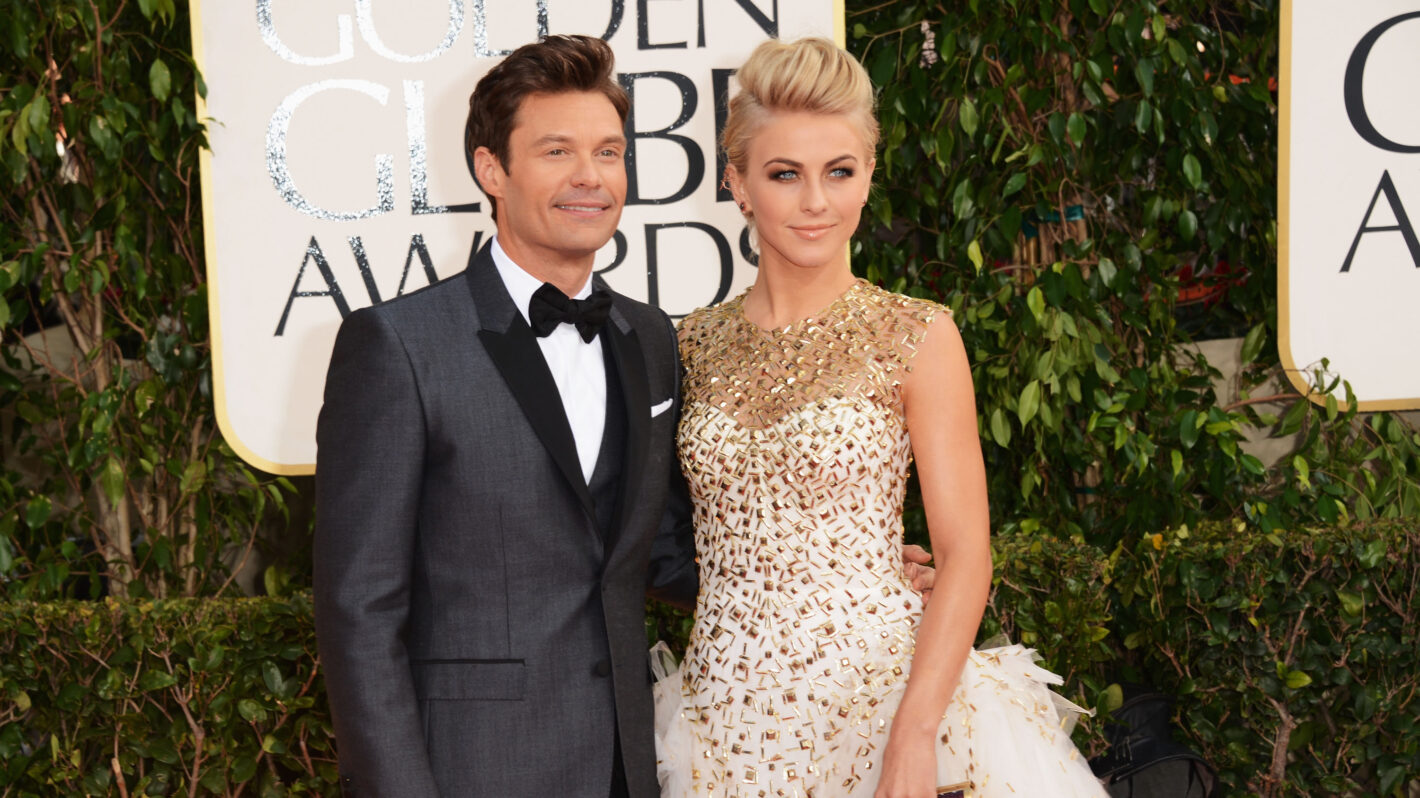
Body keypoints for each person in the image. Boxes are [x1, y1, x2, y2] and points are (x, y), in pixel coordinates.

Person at [653, 38, 1109, 798]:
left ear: (869, 175)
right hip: (721, 721)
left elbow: (966, 553)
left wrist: (913, 735)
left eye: (839, 171)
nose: (815, 202)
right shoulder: (685, 345)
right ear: (737, 182)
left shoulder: (917, 335)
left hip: (881, 706)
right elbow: (658, 530)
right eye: (783, 175)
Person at [313, 35, 699, 798]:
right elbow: (359, 610)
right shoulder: (398, 345)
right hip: (472, 772)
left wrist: (831, 566)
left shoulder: (649, 337)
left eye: (610, 152)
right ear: (492, 169)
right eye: (557, 151)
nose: (591, 177)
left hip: (626, 768)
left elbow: (658, 547)